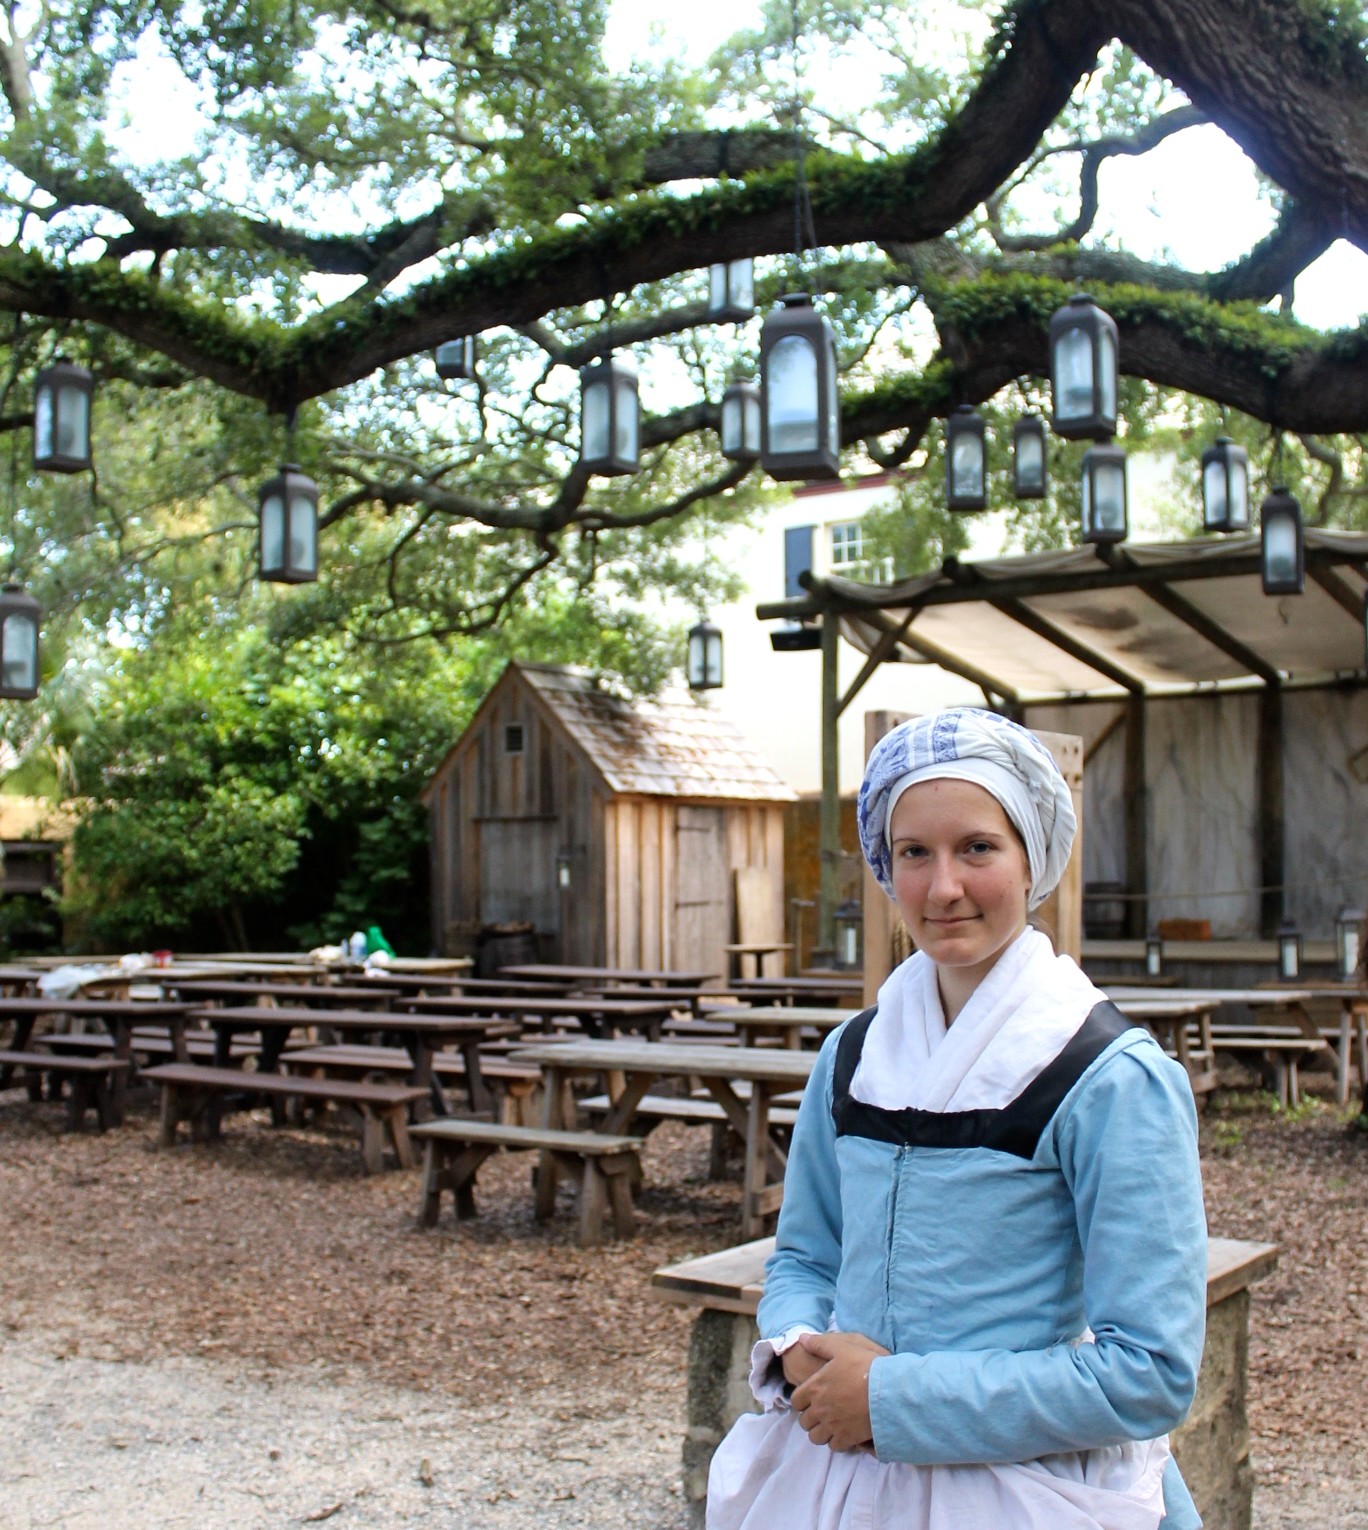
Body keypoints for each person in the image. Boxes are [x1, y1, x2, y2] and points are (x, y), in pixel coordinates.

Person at [707, 707, 1208, 1530]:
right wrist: (801, 1348)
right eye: (914, 853)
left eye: (977, 847)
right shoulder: (852, 1056)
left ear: (1032, 856)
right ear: (885, 863)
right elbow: (805, 1253)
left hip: (1027, 1492)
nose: (943, 888)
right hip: (841, 1480)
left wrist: (894, 1398)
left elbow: (1148, 1372)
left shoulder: (1110, 1079)